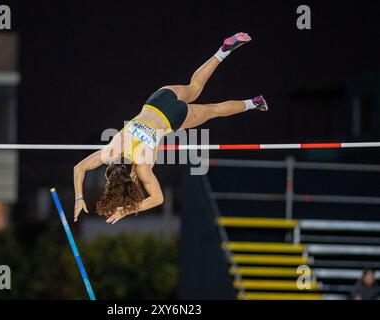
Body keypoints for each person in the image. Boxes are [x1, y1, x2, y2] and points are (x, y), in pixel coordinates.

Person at [73, 32, 268, 224]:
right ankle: (222, 51)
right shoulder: (111, 150)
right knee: (194, 87)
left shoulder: (142, 170)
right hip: (156, 100)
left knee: (214, 110)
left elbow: (158, 199)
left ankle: (255, 102)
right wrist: (78, 198)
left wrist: (126, 210)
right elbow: (79, 168)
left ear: (131, 176)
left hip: (171, 118)